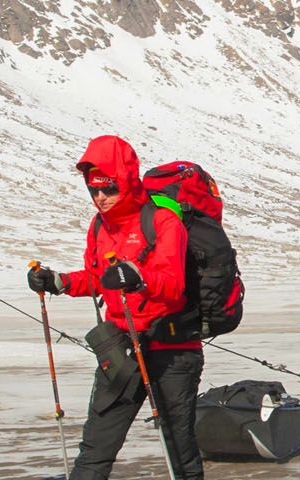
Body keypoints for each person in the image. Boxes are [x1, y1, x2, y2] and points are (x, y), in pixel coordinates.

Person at [27, 135, 202, 480]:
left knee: (179, 452)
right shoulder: (99, 226)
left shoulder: (163, 222)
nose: (100, 198)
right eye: (94, 191)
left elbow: (174, 286)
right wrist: (60, 281)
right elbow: (98, 278)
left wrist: (138, 278)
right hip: (122, 350)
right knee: (95, 447)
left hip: (171, 350)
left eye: (107, 189)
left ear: (124, 180)